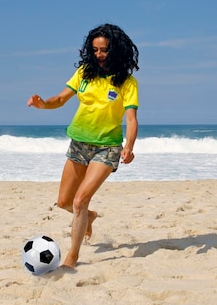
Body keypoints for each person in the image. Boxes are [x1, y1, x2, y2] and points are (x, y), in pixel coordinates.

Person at [27, 23, 140, 269]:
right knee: (64, 202)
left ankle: (72, 258)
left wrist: (129, 146)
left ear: (117, 51)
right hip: (78, 144)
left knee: (79, 201)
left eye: (105, 50)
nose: (99, 54)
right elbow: (60, 99)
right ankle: (89, 217)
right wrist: (42, 104)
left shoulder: (127, 83)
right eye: (95, 50)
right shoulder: (84, 73)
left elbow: (131, 118)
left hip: (107, 148)